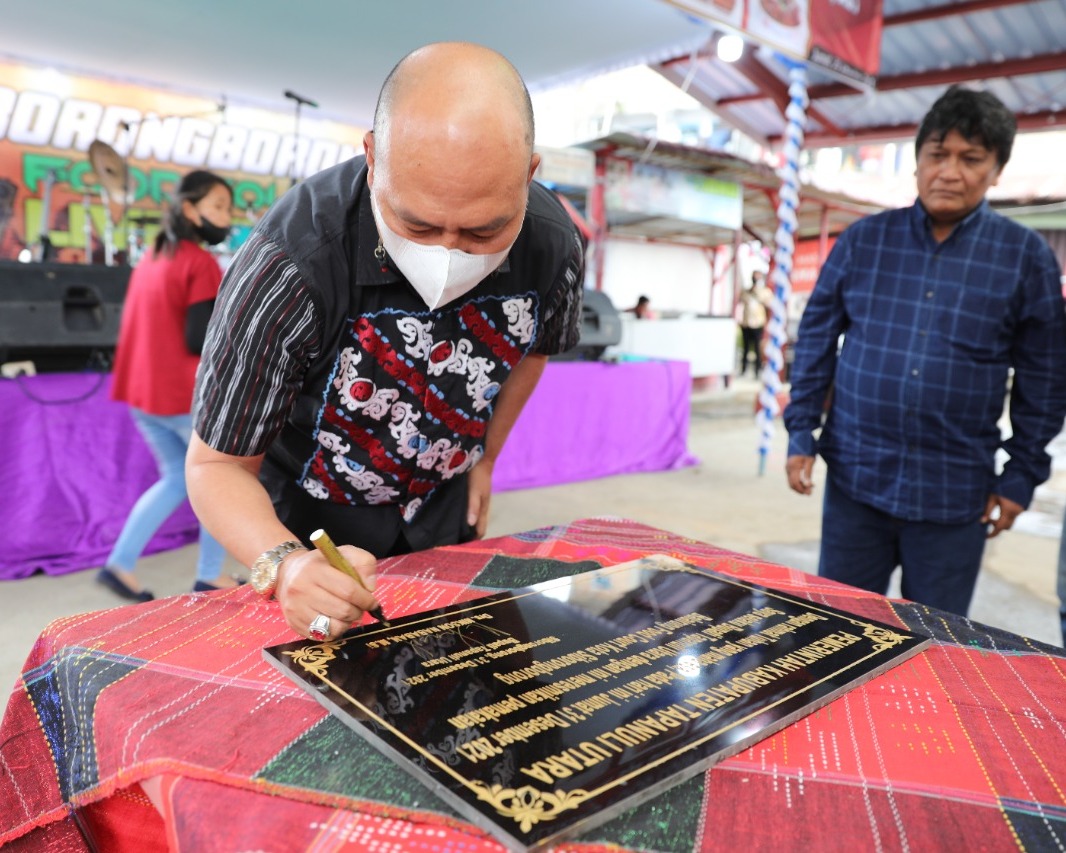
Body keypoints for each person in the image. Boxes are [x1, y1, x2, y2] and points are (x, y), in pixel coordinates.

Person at [186, 43, 584, 641]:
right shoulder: (292, 262)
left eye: (484, 231)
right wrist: (284, 565)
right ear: (373, 158)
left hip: (444, 505)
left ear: (528, 175)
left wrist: (486, 458)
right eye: (416, 224)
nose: (448, 254)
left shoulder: (553, 246)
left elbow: (534, 350)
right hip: (309, 521)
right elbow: (215, 465)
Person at [783, 85, 1066, 617]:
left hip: (955, 497)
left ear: (996, 170)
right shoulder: (864, 241)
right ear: (917, 162)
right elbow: (816, 338)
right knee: (836, 630)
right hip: (856, 481)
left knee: (933, 642)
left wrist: (1021, 475)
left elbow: (1045, 379)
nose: (949, 172)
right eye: (937, 154)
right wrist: (801, 429)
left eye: (971, 159)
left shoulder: (1025, 257)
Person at [97, 170, 235, 601]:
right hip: (180, 396)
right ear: (190, 209)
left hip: (143, 395)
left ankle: (119, 564)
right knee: (222, 479)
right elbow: (198, 338)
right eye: (218, 207)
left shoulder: (154, 254)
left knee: (177, 477)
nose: (226, 217)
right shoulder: (200, 263)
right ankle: (210, 574)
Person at [738, 271, 770, 377]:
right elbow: (742, 298)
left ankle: (757, 370)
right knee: (746, 348)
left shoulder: (764, 291)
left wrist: (756, 291)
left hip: (758, 324)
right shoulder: (747, 291)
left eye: (757, 277)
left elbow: (767, 301)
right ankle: (743, 369)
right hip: (747, 323)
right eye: (754, 277)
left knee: (757, 348)